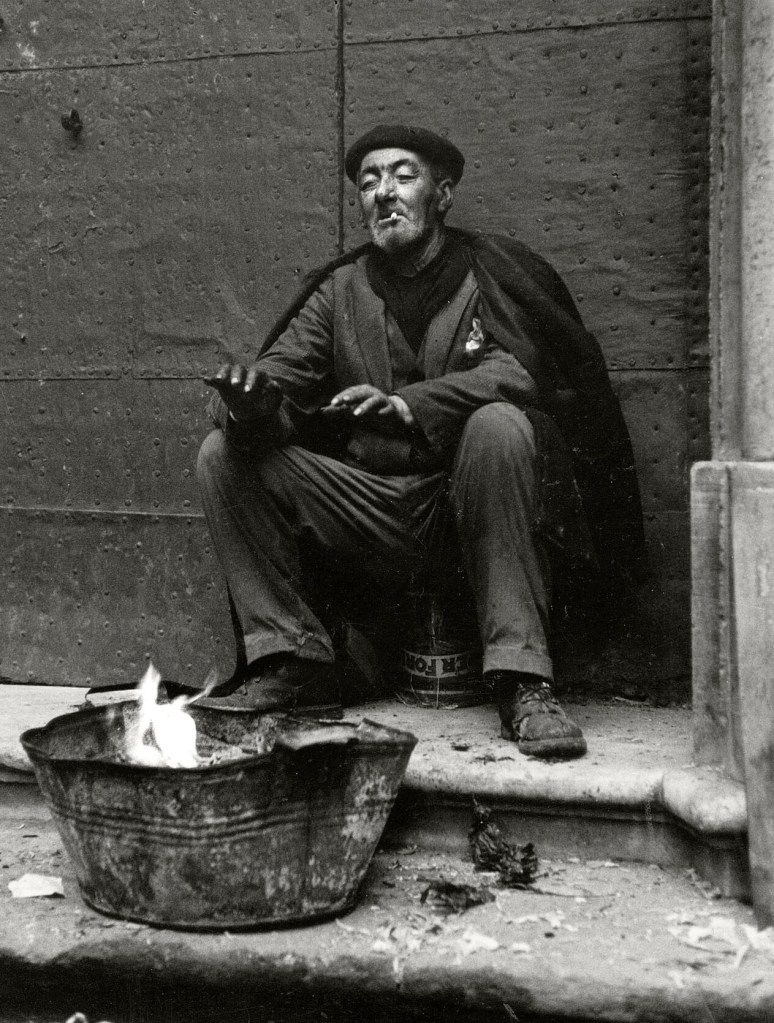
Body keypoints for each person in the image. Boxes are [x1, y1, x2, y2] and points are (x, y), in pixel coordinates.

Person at [194, 124, 646, 760]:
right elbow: (279, 373)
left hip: (467, 505)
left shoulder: (490, 272)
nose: (383, 193)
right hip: (367, 507)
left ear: (444, 194)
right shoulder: (340, 290)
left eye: (402, 176)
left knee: (499, 424)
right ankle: (297, 662)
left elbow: (519, 371)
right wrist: (247, 399)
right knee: (223, 455)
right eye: (369, 182)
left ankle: (523, 681)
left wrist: (410, 404)